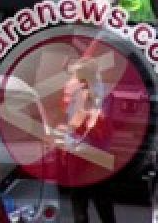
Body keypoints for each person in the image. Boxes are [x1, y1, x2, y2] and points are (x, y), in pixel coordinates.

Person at [58, 59, 117, 223]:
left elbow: (79, 122)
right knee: (102, 201)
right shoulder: (105, 92)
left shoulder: (86, 93)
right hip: (96, 152)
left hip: (84, 151)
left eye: (74, 75)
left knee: (81, 202)